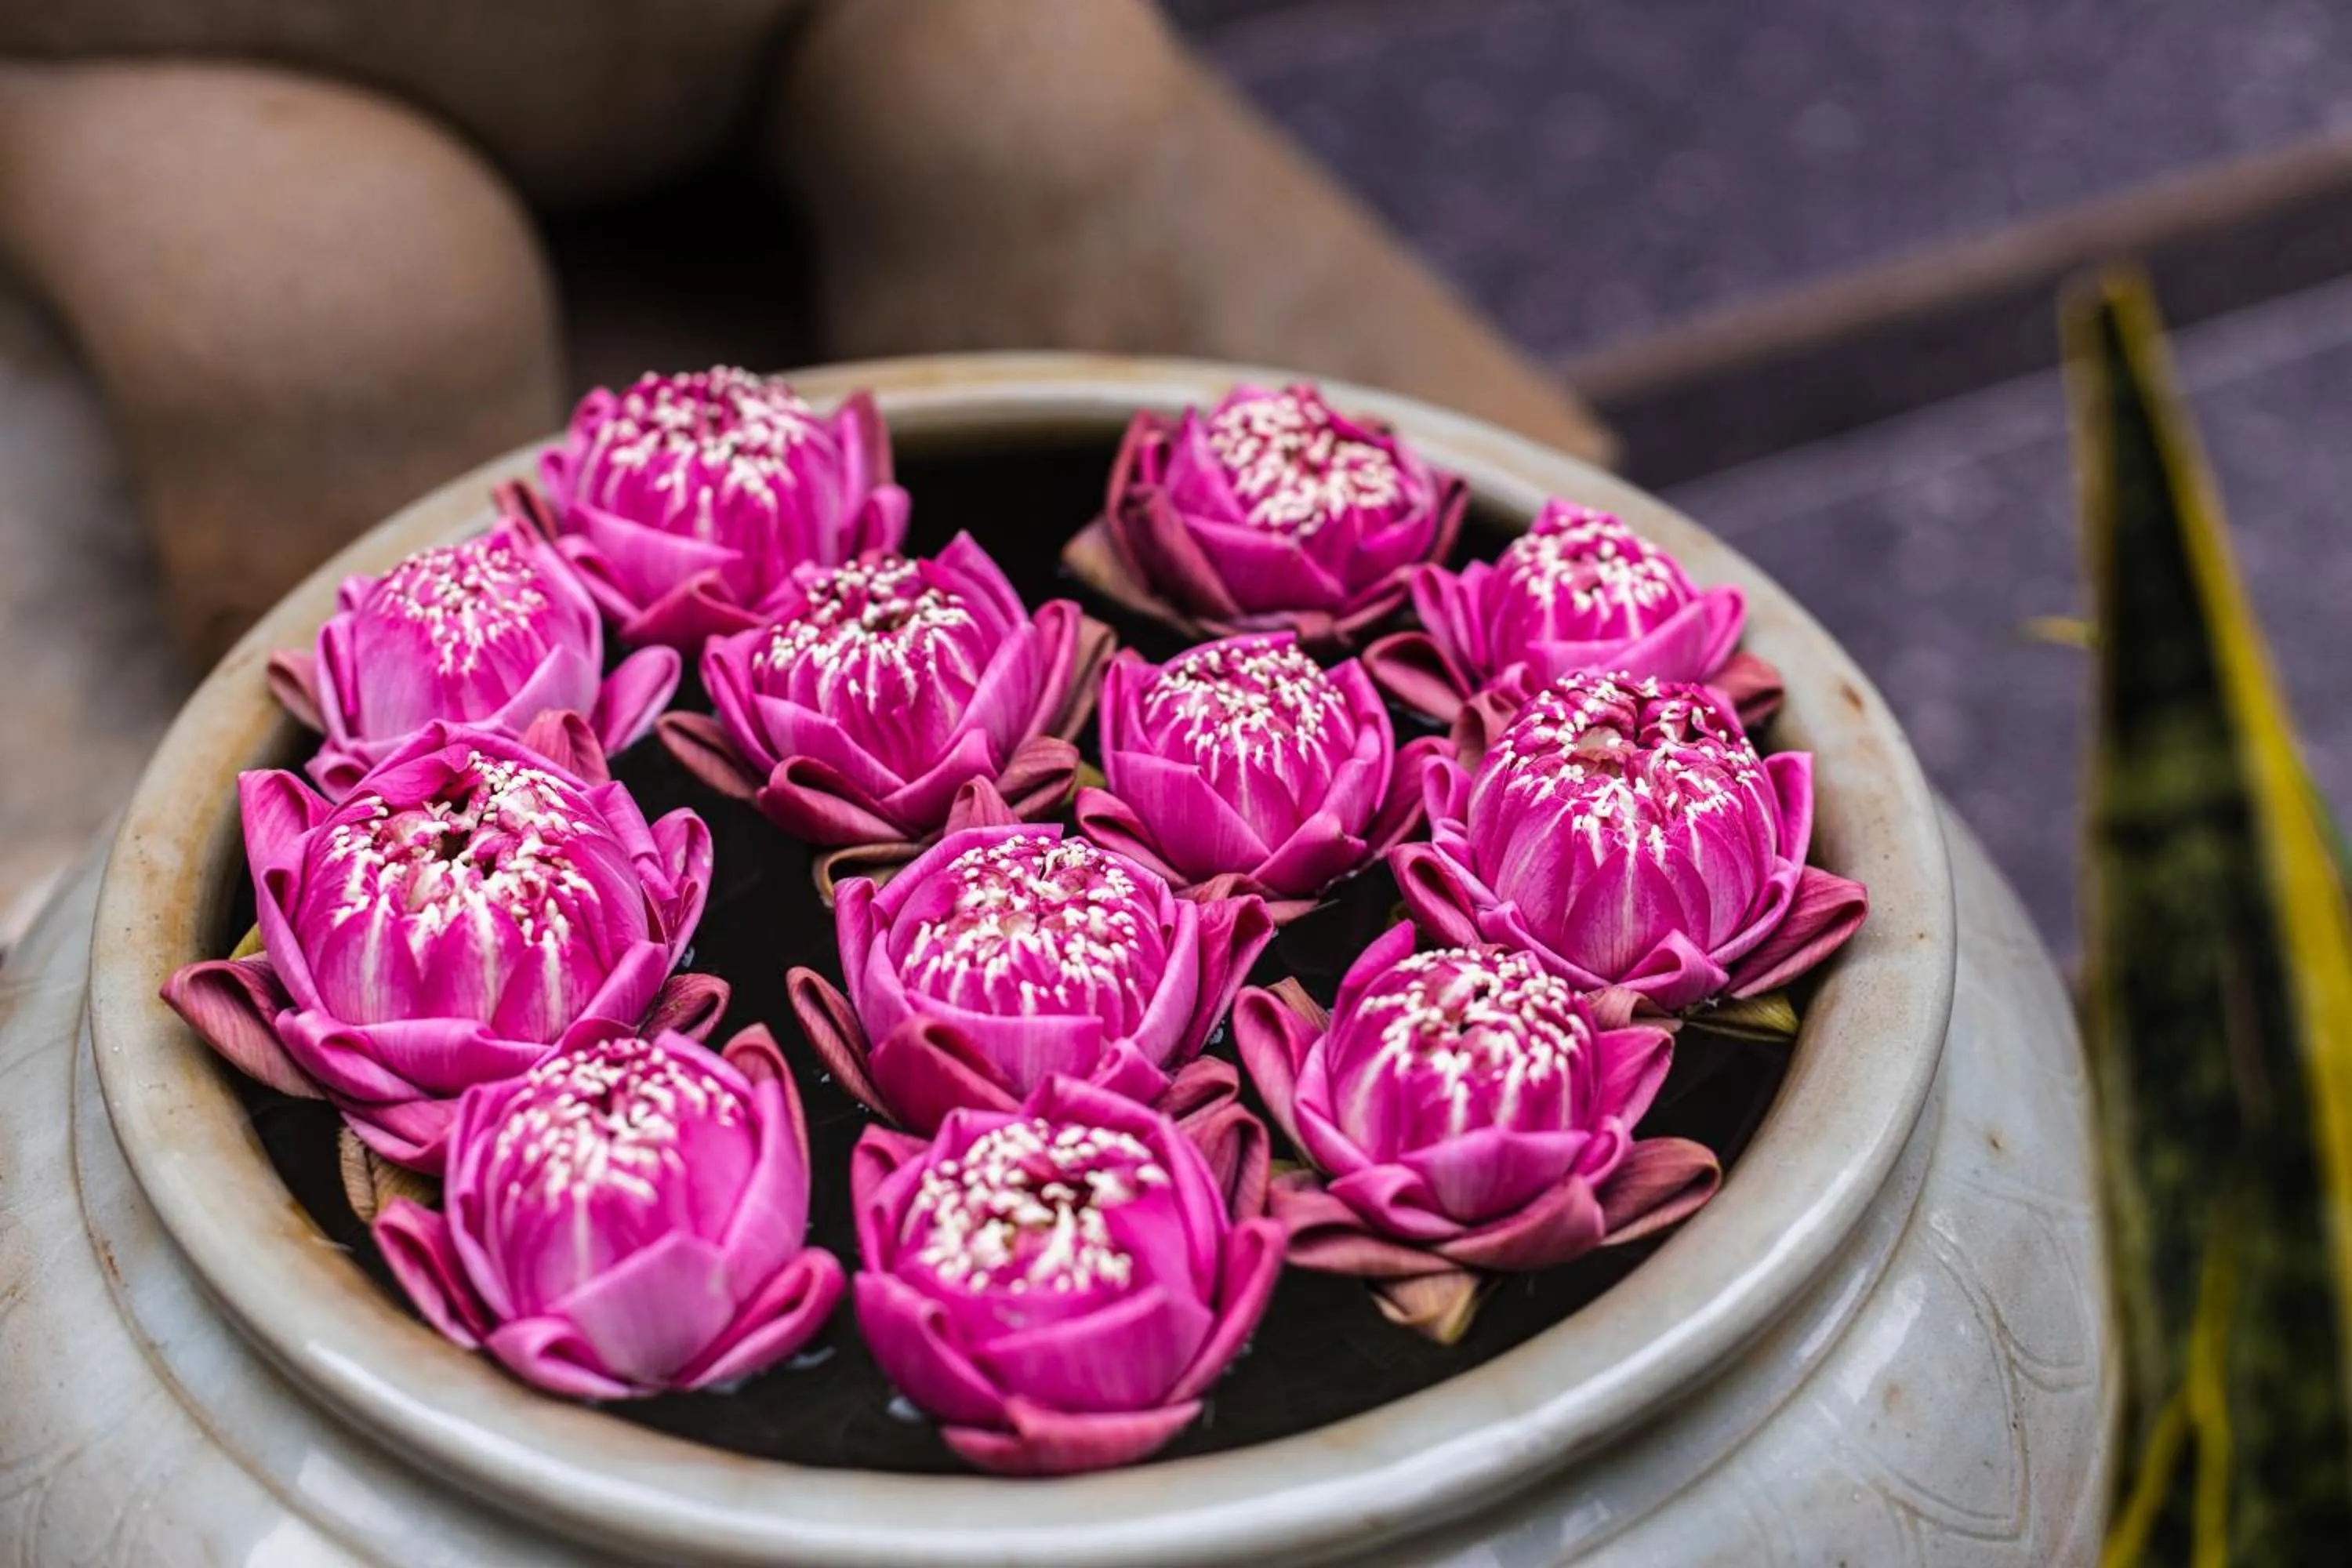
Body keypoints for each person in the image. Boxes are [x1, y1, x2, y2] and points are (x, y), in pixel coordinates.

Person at [0, 0, 1608, 664]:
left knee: (1035, 118)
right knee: (331, 316)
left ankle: (1080, 697)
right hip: (186, 41)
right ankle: (464, 897)